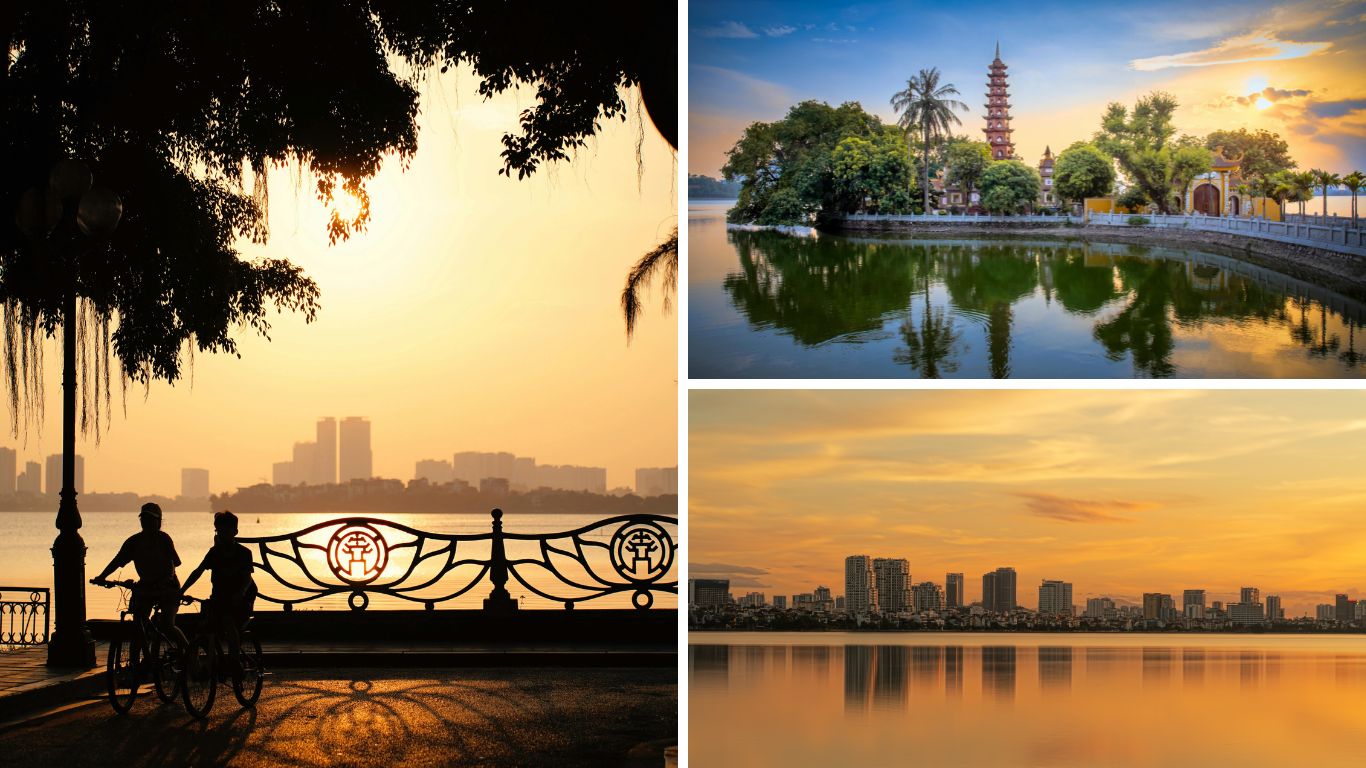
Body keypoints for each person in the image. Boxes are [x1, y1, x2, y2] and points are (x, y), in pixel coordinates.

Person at [91, 502, 188, 653]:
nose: (146, 522)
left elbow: (174, 563)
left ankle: (189, 652)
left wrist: (165, 579)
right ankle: (142, 659)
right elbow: (117, 561)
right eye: (144, 519)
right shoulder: (134, 541)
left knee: (168, 626)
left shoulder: (164, 539)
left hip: (168, 587)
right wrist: (102, 577)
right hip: (146, 587)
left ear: (159, 522)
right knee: (139, 622)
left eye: (151, 519)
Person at [181, 510, 257, 671]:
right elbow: (198, 571)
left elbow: (247, 579)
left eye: (225, 531)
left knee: (229, 623)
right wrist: (182, 590)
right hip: (219, 597)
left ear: (235, 532)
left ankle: (235, 662)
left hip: (241, 598)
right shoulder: (214, 553)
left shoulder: (244, 553)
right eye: (218, 531)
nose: (221, 535)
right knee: (203, 625)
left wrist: (240, 593)